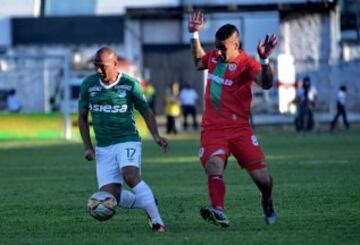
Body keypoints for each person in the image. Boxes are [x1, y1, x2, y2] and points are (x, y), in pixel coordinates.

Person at [188, 11, 278, 227]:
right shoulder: (215, 57)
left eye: (222, 47)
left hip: (240, 129)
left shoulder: (247, 64)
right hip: (213, 129)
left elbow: (265, 83)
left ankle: (267, 200)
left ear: (236, 45)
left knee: (263, 180)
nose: (217, 51)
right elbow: (200, 61)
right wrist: (194, 35)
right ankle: (219, 210)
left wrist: (265, 60)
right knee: (214, 165)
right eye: (216, 46)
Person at [78, 47, 168, 232]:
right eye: (96, 66)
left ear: (115, 64)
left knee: (130, 175)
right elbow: (82, 117)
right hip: (103, 146)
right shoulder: (89, 85)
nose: (98, 70)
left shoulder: (129, 84)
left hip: (127, 140)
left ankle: (157, 222)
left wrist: (156, 135)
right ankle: (147, 201)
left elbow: (146, 110)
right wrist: (88, 147)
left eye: (102, 66)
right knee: (112, 198)